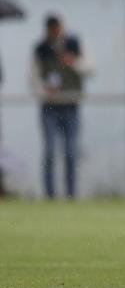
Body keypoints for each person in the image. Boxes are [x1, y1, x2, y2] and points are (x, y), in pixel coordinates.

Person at [30, 14, 93, 198]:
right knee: (49, 152)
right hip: (49, 106)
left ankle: (71, 194)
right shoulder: (40, 49)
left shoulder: (74, 44)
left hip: (70, 104)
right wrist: (44, 91)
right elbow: (33, 79)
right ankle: (50, 195)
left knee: (71, 152)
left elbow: (90, 68)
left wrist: (73, 62)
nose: (55, 31)